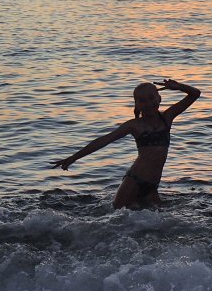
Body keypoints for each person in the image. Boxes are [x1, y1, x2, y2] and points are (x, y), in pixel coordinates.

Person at [52, 78, 201, 208]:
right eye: (142, 100)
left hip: (152, 187)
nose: (148, 103)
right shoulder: (134, 125)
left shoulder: (167, 118)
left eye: (151, 98)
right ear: (137, 105)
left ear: (159, 98)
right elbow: (103, 140)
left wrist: (179, 86)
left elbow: (195, 94)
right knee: (116, 219)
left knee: (157, 227)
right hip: (133, 181)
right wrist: (73, 158)